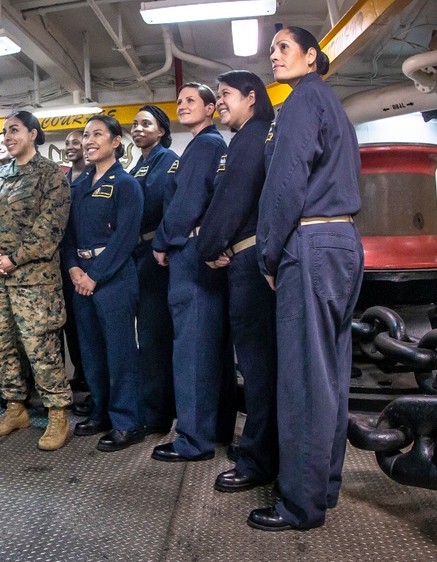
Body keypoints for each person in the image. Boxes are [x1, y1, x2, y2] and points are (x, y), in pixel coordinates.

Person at [248, 27, 363, 532]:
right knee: (330, 375)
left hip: (310, 244)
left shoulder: (298, 103)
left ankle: (299, 505)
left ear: (311, 56)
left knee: (302, 380)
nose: (274, 56)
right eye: (271, 50)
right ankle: (324, 486)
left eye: (284, 48)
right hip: (343, 241)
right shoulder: (331, 105)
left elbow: (285, 184)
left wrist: (269, 256)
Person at [195, 70, 278, 493]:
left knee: (258, 368)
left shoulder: (252, 137)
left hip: (248, 264)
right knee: (258, 366)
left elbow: (231, 201)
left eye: (226, 94)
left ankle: (257, 461)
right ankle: (260, 451)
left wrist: (207, 247)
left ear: (251, 97)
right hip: (245, 255)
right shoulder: (247, 138)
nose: (221, 101)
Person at [0, 111, 72, 451]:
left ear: (33, 134)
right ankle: (15, 407)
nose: (8, 136)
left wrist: (13, 258)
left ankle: (58, 412)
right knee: (2, 344)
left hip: (34, 280)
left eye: (14, 130)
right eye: (5, 132)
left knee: (40, 348)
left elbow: (50, 228)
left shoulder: (51, 175)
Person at [150, 83, 235, 463]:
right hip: (202, 256)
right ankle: (215, 429)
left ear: (211, 107)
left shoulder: (203, 146)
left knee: (193, 351)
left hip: (188, 257)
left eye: (190, 101)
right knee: (211, 348)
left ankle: (192, 441)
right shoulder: (212, 144)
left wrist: (162, 242)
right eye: (180, 101)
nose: (182, 106)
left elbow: (186, 202)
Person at [63, 114, 144, 452]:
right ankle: (101, 411)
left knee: (120, 352)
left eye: (98, 134)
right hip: (80, 276)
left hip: (113, 279)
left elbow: (125, 238)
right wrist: (73, 270)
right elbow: (65, 235)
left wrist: (95, 276)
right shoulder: (78, 186)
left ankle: (126, 421)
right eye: (86, 135)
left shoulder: (126, 184)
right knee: (92, 351)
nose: (89, 140)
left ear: (115, 142)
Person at [129, 105, 177, 434]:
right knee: (145, 341)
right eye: (135, 124)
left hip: (156, 257)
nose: (138, 129)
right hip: (135, 255)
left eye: (146, 124)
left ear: (160, 131)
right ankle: (150, 403)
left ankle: (158, 416)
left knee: (154, 339)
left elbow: (164, 207)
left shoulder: (167, 162)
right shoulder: (136, 166)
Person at [61, 129, 89, 414]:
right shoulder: (62, 179)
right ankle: (80, 369)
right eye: (67, 143)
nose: (71, 146)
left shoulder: (96, 176)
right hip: (63, 260)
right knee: (69, 320)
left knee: (87, 322)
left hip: (88, 262)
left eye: (76, 141)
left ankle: (92, 375)